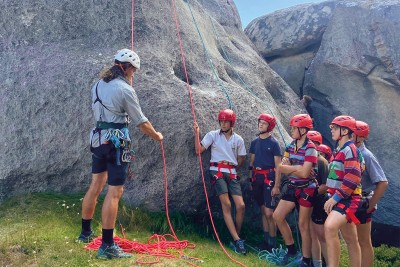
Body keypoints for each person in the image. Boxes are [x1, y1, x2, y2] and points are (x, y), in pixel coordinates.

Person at [78, 49, 163, 259]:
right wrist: (157, 136)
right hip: (116, 143)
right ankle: (107, 246)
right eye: (133, 71)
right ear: (127, 68)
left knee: (96, 185)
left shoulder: (97, 84)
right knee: (114, 192)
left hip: (98, 139)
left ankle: (85, 233)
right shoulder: (125, 89)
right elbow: (141, 122)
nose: (134, 75)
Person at [193, 109, 247, 254]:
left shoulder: (238, 139)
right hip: (216, 171)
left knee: (241, 206)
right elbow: (199, 150)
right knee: (227, 204)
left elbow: (241, 158)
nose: (223, 124)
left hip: (232, 172)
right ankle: (237, 240)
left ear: (232, 123)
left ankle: (236, 236)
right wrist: (196, 134)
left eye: (226, 121)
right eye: (221, 121)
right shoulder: (213, 135)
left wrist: (234, 165)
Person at [273, 114, 318, 267]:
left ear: (304, 130)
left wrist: (290, 168)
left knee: (303, 224)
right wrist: (297, 168)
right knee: (277, 216)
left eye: (294, 128)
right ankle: (291, 250)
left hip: (307, 189)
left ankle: (306, 261)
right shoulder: (291, 145)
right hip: (293, 186)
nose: (291, 130)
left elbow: (305, 174)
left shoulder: (311, 148)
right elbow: (281, 167)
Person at [324, 115, 362, 267]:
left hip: (347, 199)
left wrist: (335, 198)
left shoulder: (350, 149)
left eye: (334, 128)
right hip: (340, 197)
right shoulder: (339, 149)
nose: (331, 130)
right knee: (351, 239)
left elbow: (353, 177)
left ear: (345, 131)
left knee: (329, 227)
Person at [352, 121, 388, 267]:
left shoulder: (366, 156)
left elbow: (383, 182)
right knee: (353, 240)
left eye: (353, 134)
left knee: (363, 241)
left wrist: (370, 205)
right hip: (352, 201)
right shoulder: (349, 151)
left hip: (362, 202)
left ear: (360, 137)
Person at [248, 114, 282, 251]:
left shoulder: (274, 144)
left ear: (270, 127)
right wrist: (250, 180)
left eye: (264, 123)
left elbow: (278, 166)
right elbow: (251, 162)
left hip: (269, 178)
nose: (260, 124)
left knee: (269, 212)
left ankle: (272, 244)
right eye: (260, 122)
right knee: (263, 210)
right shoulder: (255, 142)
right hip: (257, 179)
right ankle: (266, 241)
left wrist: (277, 185)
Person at [307, 131, 329, 267]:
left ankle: (329, 263)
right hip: (308, 199)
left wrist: (313, 192)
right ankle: (317, 263)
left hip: (319, 200)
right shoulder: (306, 159)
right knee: (312, 233)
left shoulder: (322, 162)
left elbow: (326, 185)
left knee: (321, 235)